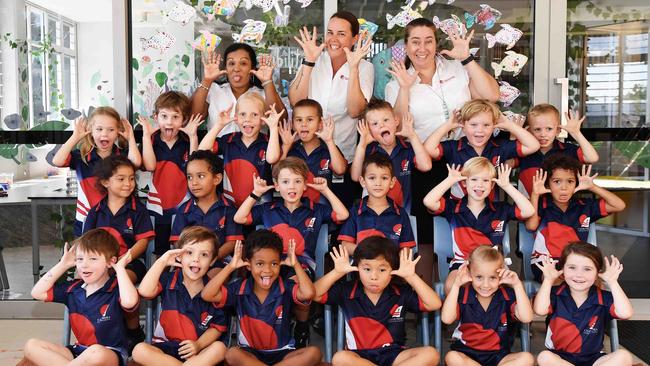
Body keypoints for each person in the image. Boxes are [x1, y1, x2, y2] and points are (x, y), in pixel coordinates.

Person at [385, 18, 500, 283]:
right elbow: (400, 126)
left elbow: (491, 95)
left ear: (437, 43)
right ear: (406, 45)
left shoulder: (457, 69)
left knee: (466, 224)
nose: (422, 48)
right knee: (425, 234)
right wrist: (404, 89)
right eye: (415, 41)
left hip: (465, 157)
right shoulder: (397, 81)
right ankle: (428, 305)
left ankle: (467, 294)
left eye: (428, 40)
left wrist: (467, 58)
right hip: (425, 161)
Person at [233, 157, 349, 347]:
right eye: (285, 182)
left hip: (301, 265)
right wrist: (255, 193)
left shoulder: (315, 210)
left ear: (305, 185)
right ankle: (273, 330)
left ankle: (301, 327)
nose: (291, 187)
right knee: (265, 283)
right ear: (277, 186)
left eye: (297, 181)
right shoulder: (268, 209)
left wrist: (325, 190)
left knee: (298, 288)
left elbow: (343, 215)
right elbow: (240, 217)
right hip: (272, 264)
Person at [289, 11, 374, 208]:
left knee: (339, 216)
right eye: (330, 32)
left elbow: (355, 110)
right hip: (307, 156)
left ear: (354, 38)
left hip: (342, 157)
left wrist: (353, 68)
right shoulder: (315, 60)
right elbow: (296, 102)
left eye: (341, 34)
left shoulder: (364, 67)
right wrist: (309, 61)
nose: (333, 39)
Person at [202, 231, 322, 366]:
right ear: (248, 265)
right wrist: (230, 267)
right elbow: (207, 294)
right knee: (232, 354)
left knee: (314, 353)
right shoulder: (239, 288)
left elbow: (308, 293)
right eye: (260, 264)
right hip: (250, 354)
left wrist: (296, 264)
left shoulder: (285, 286)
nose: (267, 270)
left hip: (283, 353)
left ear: (280, 264)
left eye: (274, 264)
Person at [315, 238, 441, 366]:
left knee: (431, 354)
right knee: (340, 358)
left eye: (382, 270)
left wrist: (411, 277)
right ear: (357, 267)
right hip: (359, 356)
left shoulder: (401, 292)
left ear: (393, 270)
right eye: (367, 269)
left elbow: (434, 304)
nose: (374, 277)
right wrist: (336, 272)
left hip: (393, 354)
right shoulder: (346, 290)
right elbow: (314, 294)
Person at [23, 229, 138, 366]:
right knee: (32, 346)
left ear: (110, 262)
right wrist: (63, 265)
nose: (84, 264)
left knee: (96, 352)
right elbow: (37, 293)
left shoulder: (116, 287)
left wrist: (120, 269)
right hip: (79, 351)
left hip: (109, 353)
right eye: (80, 259)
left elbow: (130, 302)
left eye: (93, 259)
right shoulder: (73, 289)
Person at [423, 158, 534, 293]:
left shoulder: (501, 209)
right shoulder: (453, 208)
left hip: (494, 263)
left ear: (492, 185)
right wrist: (450, 180)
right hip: (463, 262)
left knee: (516, 288)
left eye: (486, 180)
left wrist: (507, 186)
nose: (480, 185)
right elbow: (428, 201)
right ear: (464, 183)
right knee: (451, 287)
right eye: (474, 180)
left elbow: (529, 211)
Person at [82, 155, 154, 345]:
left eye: (131, 178)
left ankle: (133, 330)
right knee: (92, 284)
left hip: (130, 264)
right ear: (105, 182)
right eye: (121, 179)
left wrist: (124, 260)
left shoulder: (138, 210)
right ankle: (102, 329)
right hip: (100, 266)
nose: (128, 183)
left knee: (117, 285)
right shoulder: (95, 211)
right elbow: (86, 243)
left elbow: (143, 242)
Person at [132, 226, 228, 365]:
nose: (196, 259)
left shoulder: (215, 291)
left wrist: (198, 345)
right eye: (189, 252)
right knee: (139, 350)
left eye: (204, 255)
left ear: (213, 261)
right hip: (166, 348)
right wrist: (162, 261)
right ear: (179, 255)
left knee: (220, 348)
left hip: (199, 351)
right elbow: (144, 291)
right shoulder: (168, 280)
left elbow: (217, 327)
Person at [526, 155, 626, 282]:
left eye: (570, 181)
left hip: (578, 260)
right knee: (558, 281)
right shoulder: (542, 204)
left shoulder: (584, 206)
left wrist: (592, 187)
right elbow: (531, 226)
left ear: (577, 184)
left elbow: (619, 205)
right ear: (547, 184)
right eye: (557, 181)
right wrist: (535, 195)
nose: (564, 187)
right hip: (547, 261)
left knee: (594, 282)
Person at [534, 242, 634, 366]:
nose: (579, 274)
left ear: (597, 272)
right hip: (560, 358)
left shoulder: (603, 297)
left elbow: (626, 313)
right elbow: (540, 310)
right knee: (544, 357)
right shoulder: (554, 294)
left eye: (587, 269)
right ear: (562, 269)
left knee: (624, 356)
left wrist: (613, 282)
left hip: (594, 359)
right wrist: (548, 280)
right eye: (572, 267)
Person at [51, 107, 141, 236]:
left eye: (111, 130)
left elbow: (136, 163)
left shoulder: (122, 155)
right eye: (99, 129)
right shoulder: (81, 156)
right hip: (86, 220)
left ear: (118, 132)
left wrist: (131, 138)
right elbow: (57, 161)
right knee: (88, 255)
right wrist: (75, 137)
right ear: (90, 131)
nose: (104, 134)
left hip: (118, 219)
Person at [424, 99, 539, 199]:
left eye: (486, 125)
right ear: (463, 126)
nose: (480, 130)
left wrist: (509, 125)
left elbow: (533, 146)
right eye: (473, 125)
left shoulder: (500, 147)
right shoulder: (454, 147)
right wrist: (448, 125)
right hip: (458, 211)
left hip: (491, 211)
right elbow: (428, 149)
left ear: (494, 126)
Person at [441, 245, 534, 366]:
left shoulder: (507, 294)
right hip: (467, 355)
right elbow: (446, 319)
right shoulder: (463, 294)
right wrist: (456, 285)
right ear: (469, 273)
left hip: (499, 356)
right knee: (452, 357)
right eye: (479, 277)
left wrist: (517, 285)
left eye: (492, 278)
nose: (486, 285)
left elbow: (527, 318)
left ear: (500, 275)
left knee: (527, 359)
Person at [140, 91, 204, 255]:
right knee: (159, 251)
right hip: (158, 207)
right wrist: (146, 136)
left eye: (175, 117)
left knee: (184, 248)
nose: (169, 122)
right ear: (156, 117)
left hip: (185, 206)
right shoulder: (152, 141)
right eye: (164, 116)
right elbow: (149, 166)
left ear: (184, 120)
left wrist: (193, 137)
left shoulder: (186, 141)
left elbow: (195, 168)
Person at [198, 93, 283, 207]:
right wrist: (219, 125)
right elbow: (202, 150)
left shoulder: (268, 141)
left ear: (263, 120)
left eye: (254, 114)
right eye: (243, 114)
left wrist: (273, 128)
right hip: (230, 205)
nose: (247, 119)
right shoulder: (229, 140)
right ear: (236, 118)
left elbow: (272, 158)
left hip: (260, 206)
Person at [350, 99, 432, 212]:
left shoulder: (407, 148)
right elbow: (355, 176)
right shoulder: (367, 150)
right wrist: (362, 145)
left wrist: (412, 136)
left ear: (396, 121)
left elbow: (426, 166)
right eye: (375, 124)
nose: (381, 125)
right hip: (373, 215)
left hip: (402, 215)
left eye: (386, 120)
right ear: (369, 130)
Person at [170, 150, 243, 273]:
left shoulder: (229, 209)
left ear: (217, 179)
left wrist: (209, 258)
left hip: (218, 261)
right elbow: (177, 241)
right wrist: (192, 258)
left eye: (201, 176)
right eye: (189, 177)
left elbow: (232, 243)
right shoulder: (184, 210)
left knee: (213, 277)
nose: (194, 182)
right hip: (189, 262)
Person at [190, 43, 286, 135]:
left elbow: (281, 123)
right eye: (231, 63)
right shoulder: (213, 90)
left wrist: (267, 82)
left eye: (243, 63)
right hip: (216, 151)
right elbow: (191, 118)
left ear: (252, 68)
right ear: (225, 68)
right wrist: (206, 80)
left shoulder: (263, 94)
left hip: (255, 151)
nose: (236, 69)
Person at [513, 104, 599, 197]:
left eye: (549, 129)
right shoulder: (523, 150)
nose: (543, 134)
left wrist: (576, 133)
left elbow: (592, 158)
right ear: (529, 131)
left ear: (557, 131)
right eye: (537, 129)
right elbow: (507, 164)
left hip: (561, 209)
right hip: (529, 208)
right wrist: (514, 137)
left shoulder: (567, 150)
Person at [339, 154, 416, 254]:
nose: (378, 183)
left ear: (392, 182)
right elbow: (345, 244)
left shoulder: (401, 214)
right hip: (361, 267)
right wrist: (368, 254)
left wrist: (392, 259)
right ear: (363, 181)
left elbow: (406, 248)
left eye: (384, 178)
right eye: (372, 178)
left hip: (391, 268)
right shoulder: (355, 211)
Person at [279, 98, 347, 205]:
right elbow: (275, 172)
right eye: (299, 120)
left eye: (309, 120)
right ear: (292, 125)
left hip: (321, 208)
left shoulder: (328, 148)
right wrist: (286, 146)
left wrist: (329, 141)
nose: (304, 124)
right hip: (294, 205)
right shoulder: (290, 149)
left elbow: (340, 170)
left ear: (320, 124)